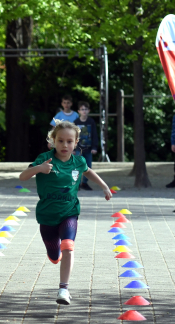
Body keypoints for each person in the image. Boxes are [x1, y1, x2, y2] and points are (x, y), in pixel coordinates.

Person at [19, 121, 112, 305]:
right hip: (47, 216)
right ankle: (54, 254)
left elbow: (88, 172)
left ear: (76, 142)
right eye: (60, 141)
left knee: (68, 246)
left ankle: (63, 289)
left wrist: (104, 186)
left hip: (69, 212)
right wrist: (39, 169)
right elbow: (23, 177)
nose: (64, 145)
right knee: (54, 256)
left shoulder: (78, 161)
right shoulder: (45, 159)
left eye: (69, 141)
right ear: (53, 141)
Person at [73, 101, 99, 191]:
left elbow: (94, 135)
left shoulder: (91, 122)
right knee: (77, 167)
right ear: (79, 111)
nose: (84, 111)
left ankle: (84, 183)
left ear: (88, 110)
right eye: (82, 109)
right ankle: (76, 184)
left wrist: (94, 147)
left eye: (86, 109)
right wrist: (72, 148)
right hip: (78, 149)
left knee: (88, 167)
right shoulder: (76, 122)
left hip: (88, 148)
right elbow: (72, 136)